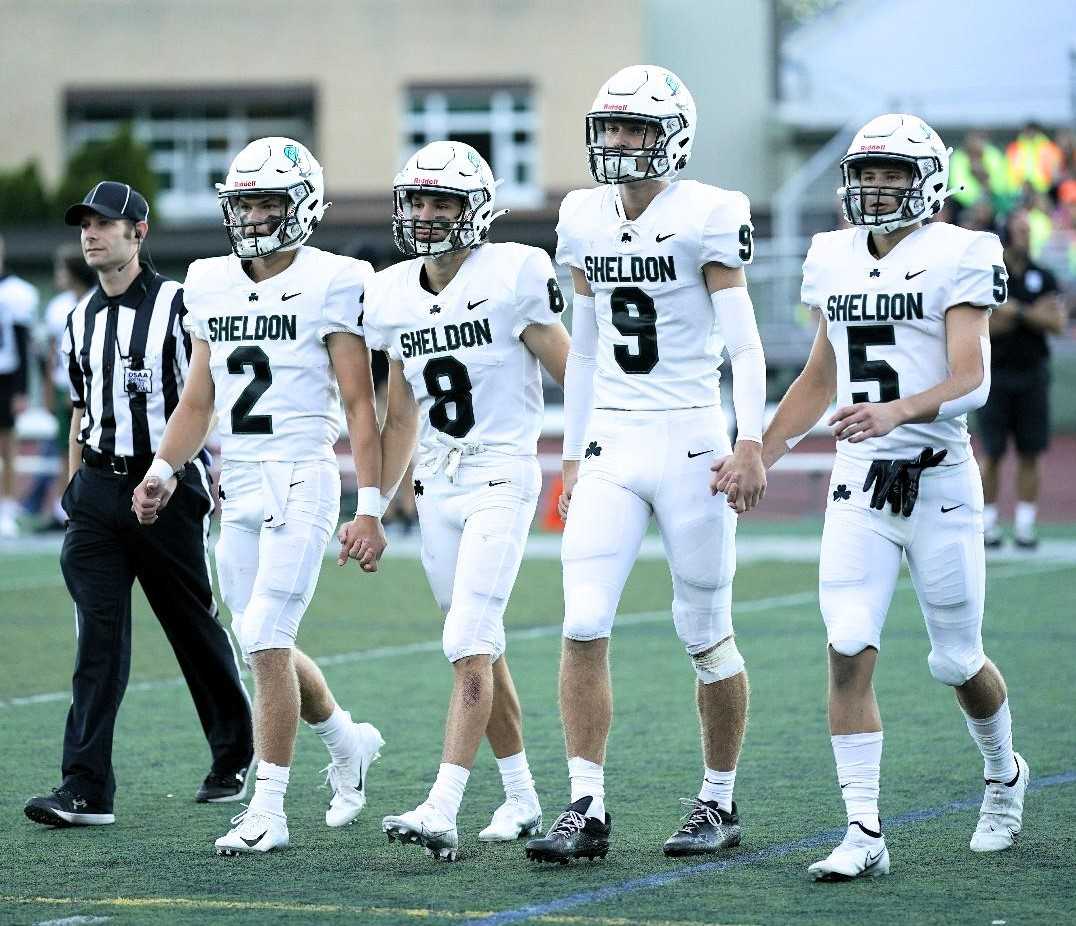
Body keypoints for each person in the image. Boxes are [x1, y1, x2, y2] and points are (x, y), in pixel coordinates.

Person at [748, 113, 1028, 881]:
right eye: (866, 173)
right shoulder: (832, 254)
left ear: (928, 181)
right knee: (846, 646)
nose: (874, 187)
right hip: (858, 484)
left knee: (956, 659)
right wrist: (761, 452)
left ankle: (1004, 776)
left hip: (937, 478)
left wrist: (897, 411)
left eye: (891, 174)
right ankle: (864, 830)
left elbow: (972, 376)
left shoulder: (962, 253)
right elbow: (819, 375)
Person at [525, 65, 767, 865]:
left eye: (637, 128)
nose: (621, 142)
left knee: (704, 632)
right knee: (582, 620)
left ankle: (719, 802)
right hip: (615, 442)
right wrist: (570, 448)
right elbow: (587, 346)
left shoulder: (708, 213)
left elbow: (744, 345)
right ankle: (585, 806)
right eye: (613, 126)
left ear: (674, 137)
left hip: (694, 436)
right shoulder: (582, 214)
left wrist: (752, 439)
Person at [132, 138, 387, 855]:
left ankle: (269, 808)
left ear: (303, 205)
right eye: (243, 202)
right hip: (236, 477)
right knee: (258, 642)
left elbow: (360, 403)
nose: (252, 215)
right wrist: (162, 469)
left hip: (303, 472)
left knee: (266, 635)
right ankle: (348, 742)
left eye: (268, 201)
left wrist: (370, 502)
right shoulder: (210, 279)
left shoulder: (336, 278)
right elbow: (197, 398)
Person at [23, 181, 254, 830]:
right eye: (85, 225)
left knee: (193, 627)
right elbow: (79, 409)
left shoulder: (182, 307)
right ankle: (86, 788)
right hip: (97, 493)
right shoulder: (77, 318)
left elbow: (208, 399)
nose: (91, 234)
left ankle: (235, 750)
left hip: (170, 490)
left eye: (106, 224)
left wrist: (182, 471)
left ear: (139, 232)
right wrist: (74, 493)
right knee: (96, 641)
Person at [365, 141, 570, 862]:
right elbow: (399, 414)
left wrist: (584, 459)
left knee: (467, 640)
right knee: (479, 646)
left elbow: (576, 372)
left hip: (502, 471)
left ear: (475, 210)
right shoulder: (389, 292)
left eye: (442, 203)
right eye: (417, 202)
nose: (425, 216)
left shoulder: (514, 271)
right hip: (433, 482)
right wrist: (371, 503)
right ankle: (520, 798)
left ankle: (443, 805)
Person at [977, 209, 1067, 548]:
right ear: (1006, 234)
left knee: (1031, 452)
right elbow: (987, 324)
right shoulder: (989, 276)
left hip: (1032, 376)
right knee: (993, 453)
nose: (1027, 236)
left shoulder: (1043, 275)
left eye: (1029, 230)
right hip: (995, 376)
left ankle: (1026, 525)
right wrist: (1032, 315)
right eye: (1021, 230)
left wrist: (1014, 310)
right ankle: (989, 524)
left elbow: (1056, 322)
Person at [24, 245, 96, 530]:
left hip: (89, 388)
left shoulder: (95, 301)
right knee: (62, 449)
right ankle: (65, 505)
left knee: (90, 449)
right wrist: (50, 392)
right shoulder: (57, 307)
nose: (58, 275)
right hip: (63, 387)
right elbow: (54, 355)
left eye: (61, 269)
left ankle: (84, 505)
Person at [0, 232, 39, 537]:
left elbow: (22, 343)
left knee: (7, 446)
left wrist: (22, 389)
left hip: (5, 375)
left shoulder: (15, 292)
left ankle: (8, 507)